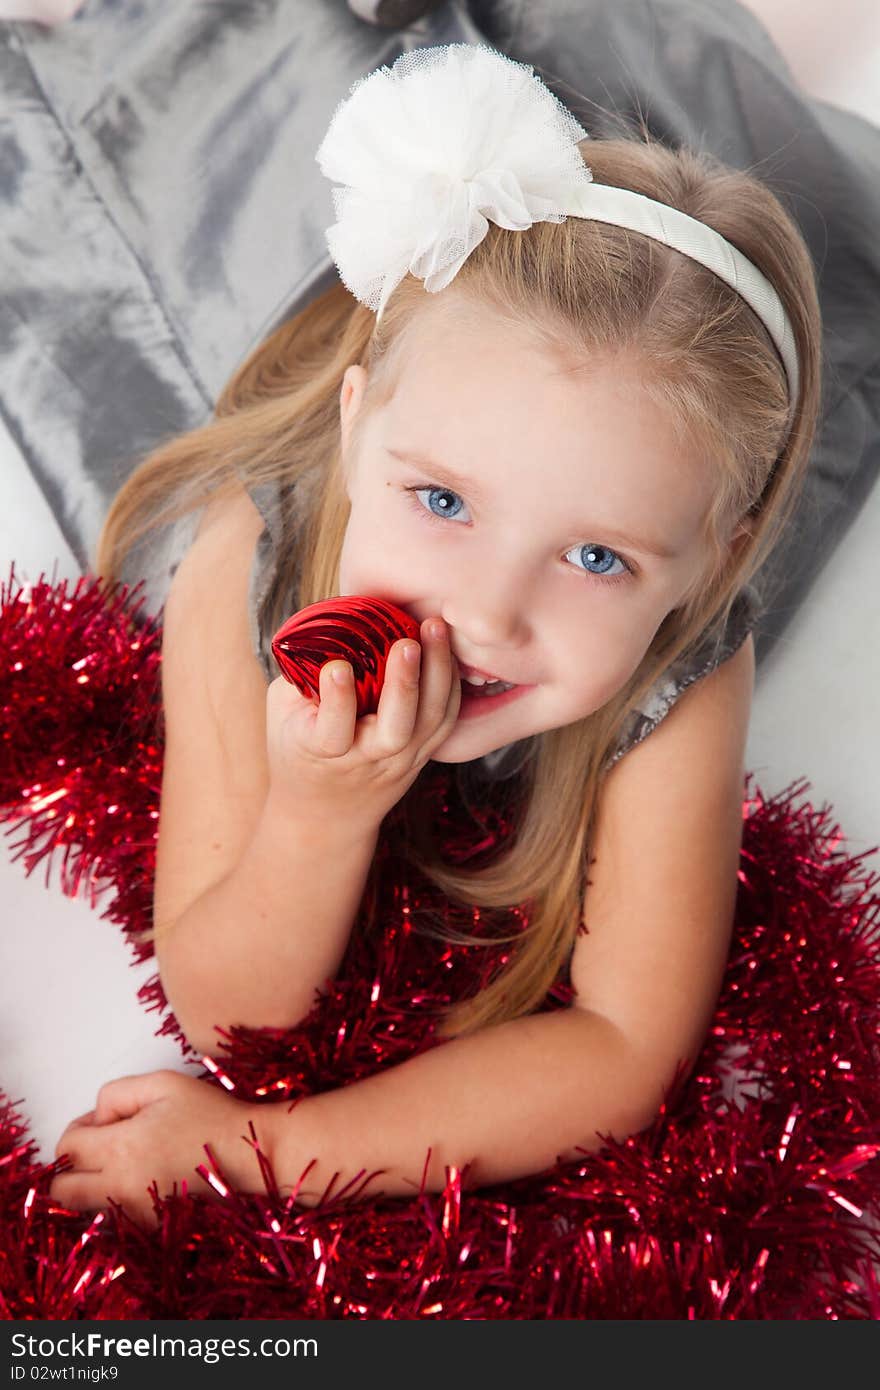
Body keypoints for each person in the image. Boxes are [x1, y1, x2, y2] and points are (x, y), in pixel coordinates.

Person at [49, 44, 821, 1230]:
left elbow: (621, 1048)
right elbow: (223, 1013)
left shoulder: (687, 659)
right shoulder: (248, 554)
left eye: (596, 557)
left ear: (712, 562)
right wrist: (316, 814)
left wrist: (268, 1153)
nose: (489, 615)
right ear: (359, 438)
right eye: (442, 502)